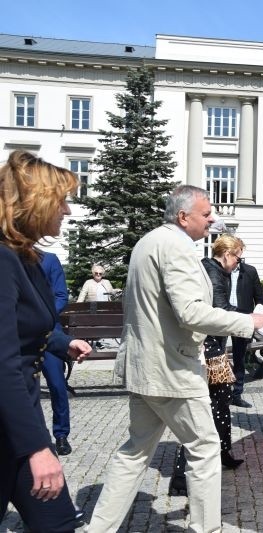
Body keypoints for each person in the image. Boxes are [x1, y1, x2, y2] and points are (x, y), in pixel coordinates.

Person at [86, 185, 263, 533]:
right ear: (184, 217)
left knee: (135, 452)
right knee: (204, 446)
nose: (213, 218)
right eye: (206, 213)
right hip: (171, 369)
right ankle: (206, 528)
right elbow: (190, 312)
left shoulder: (149, 241)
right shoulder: (175, 247)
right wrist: (249, 321)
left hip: (145, 366)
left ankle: (99, 529)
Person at [0, 150, 92, 531]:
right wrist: (38, 448)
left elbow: (25, 324)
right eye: (61, 201)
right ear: (37, 203)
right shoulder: (4, 260)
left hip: (15, 420)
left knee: (57, 524)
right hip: (12, 421)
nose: (67, 211)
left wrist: (58, 343)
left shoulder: (27, 257)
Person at [169, 233, 250, 496]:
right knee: (208, 406)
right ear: (227, 254)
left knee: (222, 398)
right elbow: (221, 308)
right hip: (208, 347)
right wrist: (252, 317)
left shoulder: (215, 271)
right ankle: (182, 475)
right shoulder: (214, 272)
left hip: (212, 345)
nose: (239, 263)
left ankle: (223, 451)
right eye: (238, 257)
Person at [39, 250, 74, 456]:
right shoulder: (9, 258)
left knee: (57, 385)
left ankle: (61, 435)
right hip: (19, 335)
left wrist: (42, 315)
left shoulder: (49, 259)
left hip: (49, 333)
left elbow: (61, 295)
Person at [229, 252, 263, 404]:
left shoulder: (250, 271)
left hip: (244, 318)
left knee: (240, 357)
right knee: (217, 354)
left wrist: (260, 314)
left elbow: (259, 297)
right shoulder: (220, 270)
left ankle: (236, 394)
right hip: (221, 315)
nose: (238, 258)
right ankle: (218, 393)